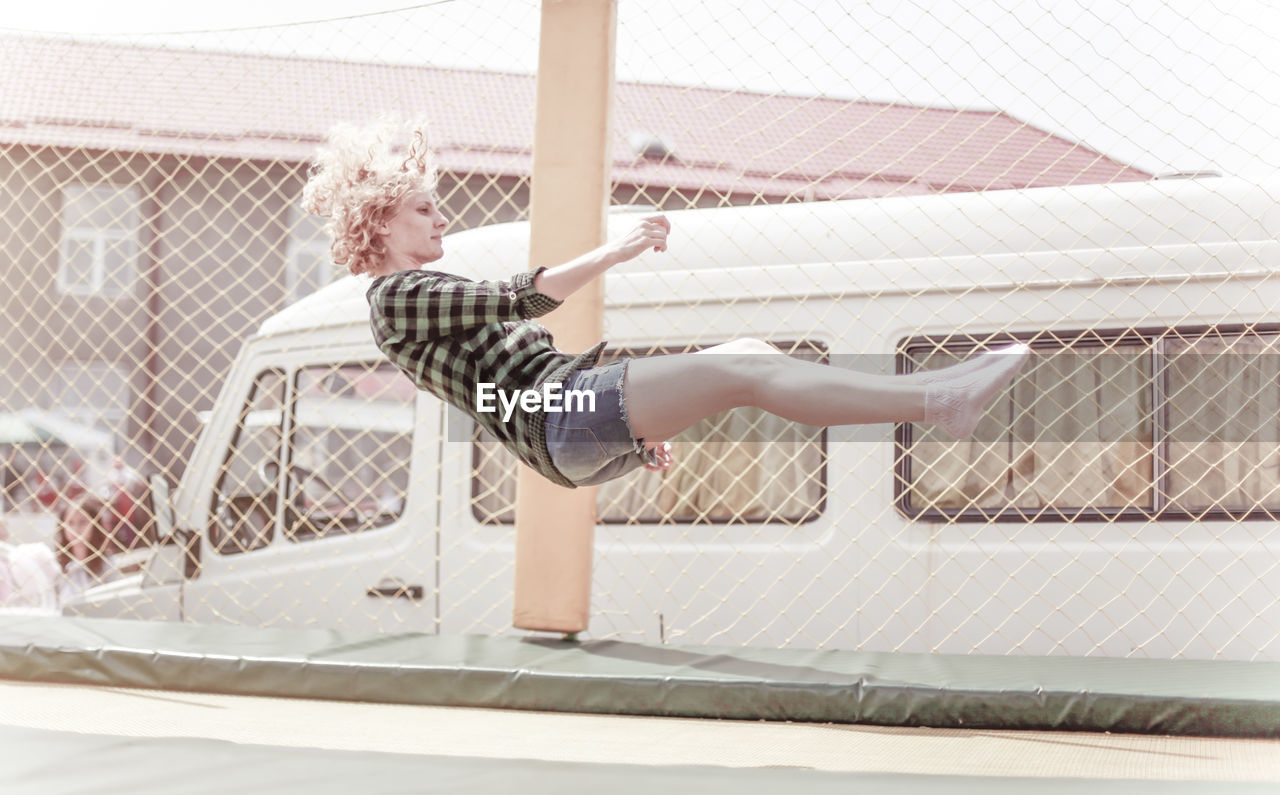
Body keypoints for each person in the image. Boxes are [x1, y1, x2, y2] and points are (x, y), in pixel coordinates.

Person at [303, 120, 1028, 489]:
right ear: (381, 222)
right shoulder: (400, 297)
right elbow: (525, 296)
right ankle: (937, 400)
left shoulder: (416, 300)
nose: (440, 220)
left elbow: (505, 390)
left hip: (565, 429)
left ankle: (934, 399)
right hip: (564, 416)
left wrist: (626, 442)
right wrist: (616, 249)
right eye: (425, 210)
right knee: (747, 366)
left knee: (746, 364)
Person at [53, 494, 122, 602]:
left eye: (82, 522)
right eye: (70, 523)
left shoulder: (107, 564)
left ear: (94, 525)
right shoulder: (56, 565)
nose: (76, 529)